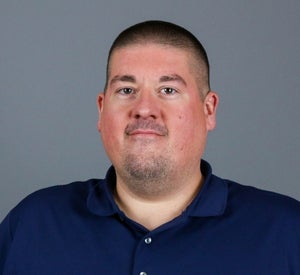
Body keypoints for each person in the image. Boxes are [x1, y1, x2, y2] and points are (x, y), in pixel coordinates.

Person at [0, 20, 299, 275]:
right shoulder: (33, 223)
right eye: (126, 90)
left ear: (209, 110)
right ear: (102, 110)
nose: (144, 109)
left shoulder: (286, 231)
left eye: (168, 90)